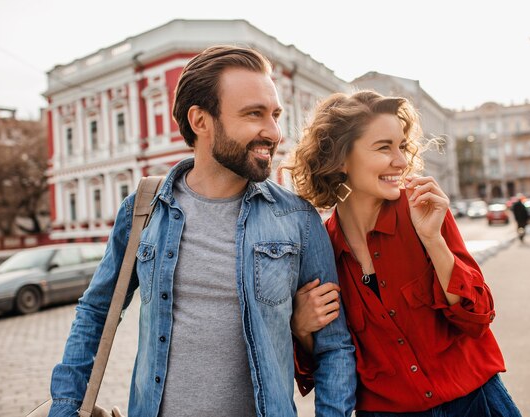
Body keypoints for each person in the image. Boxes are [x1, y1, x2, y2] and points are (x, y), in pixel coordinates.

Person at [48, 45, 356, 417]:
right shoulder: (143, 210)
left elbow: (334, 347)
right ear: (200, 120)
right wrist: (64, 407)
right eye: (253, 114)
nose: (273, 132)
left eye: (275, 115)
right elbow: (96, 311)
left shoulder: (298, 219)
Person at [285, 90, 521, 416]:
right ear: (340, 159)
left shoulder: (422, 211)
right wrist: (301, 328)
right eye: (384, 147)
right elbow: (327, 363)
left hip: (474, 402)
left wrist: (433, 240)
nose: (401, 161)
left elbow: (477, 317)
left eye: (402, 146)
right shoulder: (320, 248)